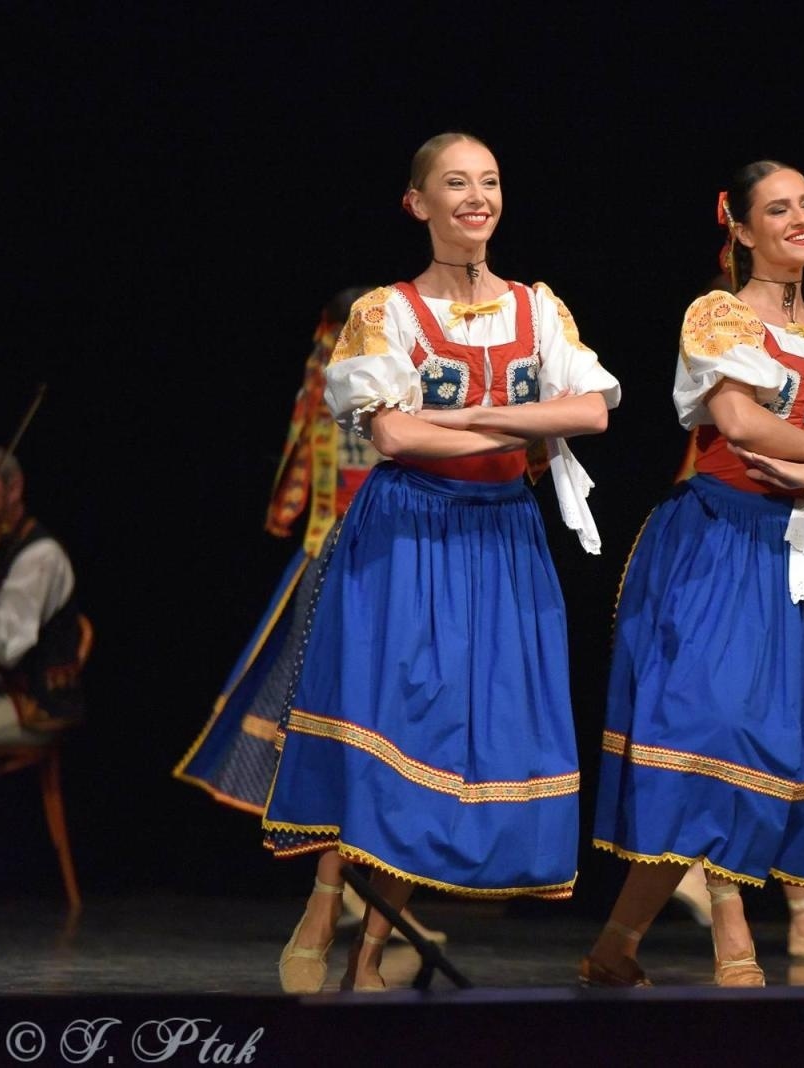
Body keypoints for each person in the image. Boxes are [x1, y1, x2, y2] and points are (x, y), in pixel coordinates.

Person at [260, 132, 619, 993]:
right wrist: (516, 417)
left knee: (470, 741)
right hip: (411, 535)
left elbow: (593, 411)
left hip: (502, 536)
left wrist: (458, 421)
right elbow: (391, 433)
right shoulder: (385, 312)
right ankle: (323, 904)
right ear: (418, 204)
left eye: (489, 181)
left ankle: (372, 948)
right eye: (455, 184)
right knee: (398, 725)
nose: (476, 197)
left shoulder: (538, 309)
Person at [583, 160, 804, 987]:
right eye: (778, 209)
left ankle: (615, 946)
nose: (799, 218)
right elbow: (737, 419)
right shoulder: (718, 315)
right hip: (711, 542)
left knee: (766, 745)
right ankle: (733, 936)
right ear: (739, 227)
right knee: (708, 731)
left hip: (791, 555)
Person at [173, 289, 446, 968]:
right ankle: (335, 887)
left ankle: (362, 891)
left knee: (395, 725)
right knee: (327, 718)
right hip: (343, 559)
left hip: (396, 553)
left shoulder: (384, 369)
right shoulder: (345, 377)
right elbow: (311, 472)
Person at [0, 447, 85, 747]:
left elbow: (7, 647)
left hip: (34, 704)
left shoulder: (40, 557)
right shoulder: (0, 542)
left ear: (14, 487)